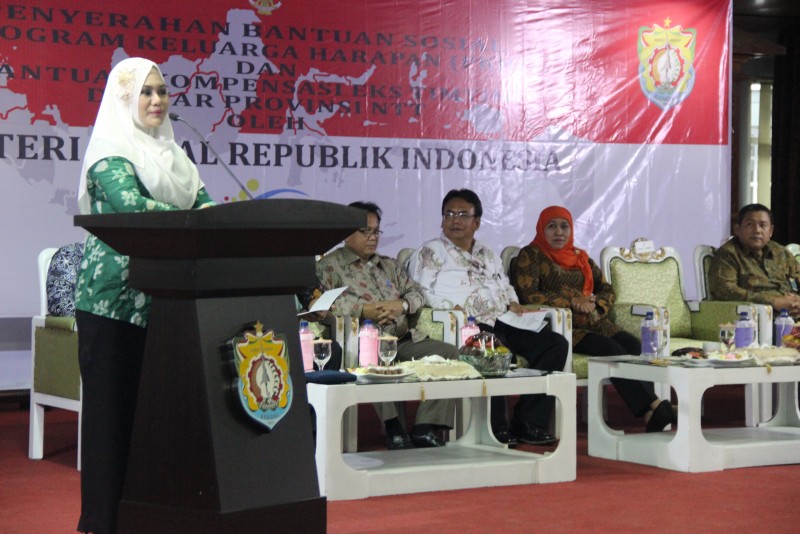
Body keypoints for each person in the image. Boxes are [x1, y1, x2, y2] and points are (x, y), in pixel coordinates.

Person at [74, 57, 216, 534]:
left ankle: (153, 517)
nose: (157, 101)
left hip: (170, 304)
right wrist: (198, 219)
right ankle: (104, 523)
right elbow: (133, 207)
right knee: (112, 418)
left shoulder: (176, 157)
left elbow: (207, 208)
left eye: (162, 91)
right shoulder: (109, 153)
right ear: (123, 100)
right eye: (145, 93)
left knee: (160, 418)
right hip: (114, 305)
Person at [408, 189, 569, 446]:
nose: (455, 220)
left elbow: (504, 284)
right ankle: (495, 428)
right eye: (449, 214)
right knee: (494, 349)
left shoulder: (487, 253)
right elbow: (419, 291)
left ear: (477, 222)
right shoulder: (431, 252)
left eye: (463, 215)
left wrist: (514, 302)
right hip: (466, 323)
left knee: (555, 344)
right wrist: (450, 308)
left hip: (503, 318)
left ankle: (528, 421)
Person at [510, 206, 675, 432]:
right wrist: (573, 301)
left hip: (595, 321)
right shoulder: (531, 255)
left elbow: (607, 288)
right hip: (563, 326)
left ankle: (650, 412)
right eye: (552, 226)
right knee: (612, 350)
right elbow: (528, 295)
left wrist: (596, 306)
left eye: (564, 226)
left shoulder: (580, 257)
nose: (559, 232)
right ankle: (653, 407)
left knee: (634, 346)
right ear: (541, 229)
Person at [316, 201, 460, 450]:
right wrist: (365, 310)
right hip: (363, 342)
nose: (372, 238)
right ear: (346, 233)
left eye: (376, 231)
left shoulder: (389, 265)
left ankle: (425, 426)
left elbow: (417, 294)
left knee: (448, 354)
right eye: (365, 231)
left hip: (403, 339)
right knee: (371, 355)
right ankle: (393, 426)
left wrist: (400, 306)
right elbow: (322, 302)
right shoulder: (329, 266)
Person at [708, 203, 800, 320]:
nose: (757, 230)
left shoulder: (780, 252)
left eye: (763, 225)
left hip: (792, 314)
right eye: (750, 224)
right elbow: (725, 289)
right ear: (737, 229)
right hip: (754, 318)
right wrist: (773, 302)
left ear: (771, 231)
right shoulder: (728, 254)